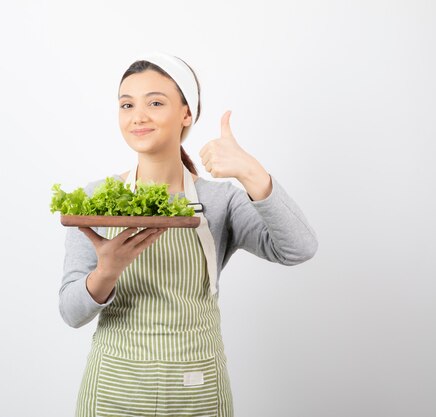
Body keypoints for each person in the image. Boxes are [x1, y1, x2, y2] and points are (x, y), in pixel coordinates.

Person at [59, 52, 318, 417]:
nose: (138, 116)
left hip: (197, 390)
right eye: (126, 104)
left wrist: (251, 173)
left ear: (186, 113)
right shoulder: (96, 199)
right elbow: (70, 312)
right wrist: (105, 273)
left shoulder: (219, 200)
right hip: (116, 390)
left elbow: (299, 248)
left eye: (155, 102)